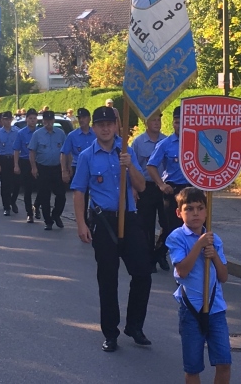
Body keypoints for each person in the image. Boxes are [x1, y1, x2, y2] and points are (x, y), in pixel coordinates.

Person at [71, 106, 151, 352]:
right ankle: (110, 332)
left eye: (109, 124)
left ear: (116, 126)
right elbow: (79, 191)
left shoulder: (125, 151)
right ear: (94, 128)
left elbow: (141, 187)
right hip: (103, 221)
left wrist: (131, 166)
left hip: (129, 218)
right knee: (108, 279)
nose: (105, 128)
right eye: (100, 125)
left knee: (142, 274)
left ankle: (135, 326)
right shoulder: (86, 156)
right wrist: (81, 224)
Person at [166, 187, 231, 384]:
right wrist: (199, 246)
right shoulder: (176, 237)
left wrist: (214, 256)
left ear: (206, 211)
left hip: (215, 309)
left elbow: (224, 276)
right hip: (191, 310)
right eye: (189, 209)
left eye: (200, 208)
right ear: (179, 213)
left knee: (224, 362)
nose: (195, 213)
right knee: (193, 367)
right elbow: (182, 270)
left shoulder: (214, 239)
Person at [147, 106, 190, 271]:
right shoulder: (165, 144)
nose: (180, 125)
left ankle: (185, 261)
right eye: (177, 122)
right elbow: (151, 166)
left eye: (183, 122)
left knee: (193, 227)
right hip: (173, 190)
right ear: (173, 123)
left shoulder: (196, 142)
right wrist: (161, 184)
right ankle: (158, 253)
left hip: (191, 190)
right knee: (172, 228)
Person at [131, 112, 168, 272]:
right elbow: (132, 167)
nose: (157, 122)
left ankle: (159, 253)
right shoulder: (138, 142)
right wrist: (133, 188)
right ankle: (148, 259)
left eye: (159, 119)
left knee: (168, 224)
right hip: (145, 187)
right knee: (146, 225)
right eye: (154, 119)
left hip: (165, 187)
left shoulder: (167, 141)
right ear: (146, 123)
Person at [29, 110, 67, 230]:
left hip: (57, 168)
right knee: (45, 197)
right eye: (46, 120)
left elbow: (66, 152)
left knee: (61, 195)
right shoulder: (37, 134)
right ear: (43, 121)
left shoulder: (60, 133)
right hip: (43, 168)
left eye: (50, 120)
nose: (48, 123)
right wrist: (34, 168)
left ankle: (56, 215)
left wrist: (66, 168)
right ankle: (48, 221)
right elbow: (32, 152)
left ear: (53, 120)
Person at [60, 107, 96, 221]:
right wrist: (64, 170)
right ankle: (83, 221)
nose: (81, 120)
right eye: (79, 118)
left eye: (84, 117)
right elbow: (64, 153)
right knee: (81, 196)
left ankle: (95, 219)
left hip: (95, 168)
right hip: (79, 169)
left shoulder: (96, 134)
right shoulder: (72, 135)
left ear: (89, 118)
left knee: (96, 195)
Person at [14, 108, 40, 222]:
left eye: (34, 118)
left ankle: (37, 206)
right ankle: (29, 213)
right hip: (25, 162)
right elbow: (16, 150)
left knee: (42, 187)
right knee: (28, 189)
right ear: (26, 119)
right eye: (30, 118)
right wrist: (16, 165)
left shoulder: (40, 132)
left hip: (39, 162)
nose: (32, 121)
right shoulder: (21, 133)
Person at [0, 111, 19, 216]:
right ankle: (6, 206)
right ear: (2, 120)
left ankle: (13, 201)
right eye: (5, 119)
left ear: (11, 120)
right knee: (5, 184)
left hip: (15, 159)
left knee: (17, 183)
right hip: (3, 159)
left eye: (9, 119)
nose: (7, 121)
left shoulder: (17, 132)